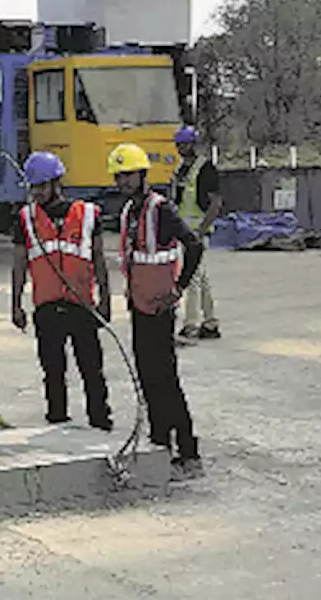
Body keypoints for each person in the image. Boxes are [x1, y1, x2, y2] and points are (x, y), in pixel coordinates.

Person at [109, 143, 203, 479]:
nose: (123, 182)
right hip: (139, 307)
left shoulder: (160, 210)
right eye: (119, 177)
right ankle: (160, 439)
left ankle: (188, 451)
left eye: (128, 175)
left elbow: (194, 245)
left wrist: (178, 288)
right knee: (148, 377)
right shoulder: (129, 213)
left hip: (160, 310)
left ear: (142, 175)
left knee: (166, 380)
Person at [11, 151, 113, 430]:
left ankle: (100, 419)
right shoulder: (25, 219)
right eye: (33, 187)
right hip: (46, 308)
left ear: (57, 183)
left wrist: (105, 300)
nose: (37, 193)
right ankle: (57, 419)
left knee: (91, 368)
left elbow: (99, 261)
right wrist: (15, 305)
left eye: (42, 186)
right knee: (53, 371)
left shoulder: (89, 215)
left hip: (82, 305)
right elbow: (19, 265)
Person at [172, 126, 224, 343]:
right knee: (201, 278)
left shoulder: (206, 169)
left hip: (197, 231)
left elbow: (216, 203)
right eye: (179, 145)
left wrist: (202, 230)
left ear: (194, 144)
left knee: (192, 276)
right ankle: (210, 322)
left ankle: (190, 325)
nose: (182, 148)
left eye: (185, 144)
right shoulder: (180, 170)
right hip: (184, 230)